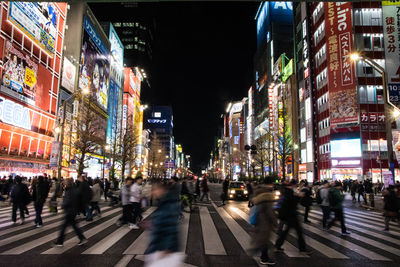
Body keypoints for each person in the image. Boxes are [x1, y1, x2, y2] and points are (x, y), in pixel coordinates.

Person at [144, 181, 182, 265]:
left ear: (162, 190)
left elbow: (171, 228)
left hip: (162, 250)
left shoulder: (168, 205)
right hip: (158, 248)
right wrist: (152, 225)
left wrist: (168, 248)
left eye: (155, 190)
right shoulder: (164, 202)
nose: (152, 192)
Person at [275, 179, 311, 254]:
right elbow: (292, 203)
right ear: (293, 185)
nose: (296, 186)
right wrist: (299, 196)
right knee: (299, 232)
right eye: (296, 185)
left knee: (286, 232)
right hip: (291, 215)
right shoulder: (290, 192)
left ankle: (277, 245)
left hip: (289, 215)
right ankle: (302, 249)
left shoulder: (287, 191)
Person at [249, 183, 277, 265]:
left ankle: (262, 255)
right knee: (265, 241)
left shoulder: (258, 197)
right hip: (265, 223)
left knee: (263, 240)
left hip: (259, 222)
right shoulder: (266, 198)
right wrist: (275, 223)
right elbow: (270, 212)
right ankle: (264, 258)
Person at [54, 179, 87, 247]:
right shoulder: (74, 189)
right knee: (74, 226)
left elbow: (68, 201)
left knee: (63, 227)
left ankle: (60, 242)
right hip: (73, 210)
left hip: (69, 211)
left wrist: (62, 205)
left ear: (67, 184)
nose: (64, 184)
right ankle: (82, 238)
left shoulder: (68, 191)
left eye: (65, 183)